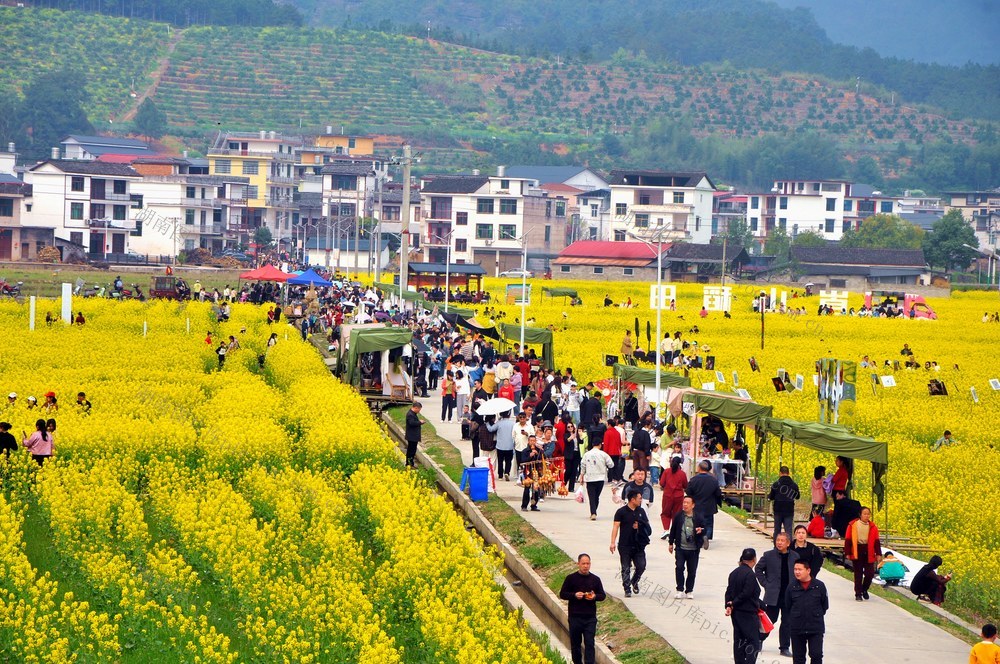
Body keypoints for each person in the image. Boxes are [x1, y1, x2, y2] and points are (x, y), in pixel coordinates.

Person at [755, 533, 799, 657]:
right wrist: (766, 583)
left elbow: (799, 572)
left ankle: (784, 647)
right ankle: (759, 639)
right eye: (778, 540)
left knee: (787, 622)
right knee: (769, 620)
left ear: (788, 543)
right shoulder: (768, 555)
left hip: (789, 595)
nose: (779, 543)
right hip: (774, 594)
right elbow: (758, 569)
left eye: (782, 541)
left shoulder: (795, 556)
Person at [559, 553, 607, 664]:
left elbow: (602, 596)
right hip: (575, 617)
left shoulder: (595, 579)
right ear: (578, 564)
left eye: (588, 563)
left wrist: (594, 597)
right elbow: (563, 594)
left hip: (590, 618)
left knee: (590, 643)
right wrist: (574, 595)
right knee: (575, 644)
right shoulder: (571, 578)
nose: (586, 566)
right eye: (583, 563)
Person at [785, 559, 829, 664]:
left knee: (816, 655)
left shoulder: (819, 586)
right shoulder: (791, 587)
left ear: (808, 570)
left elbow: (824, 606)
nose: (797, 572)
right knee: (798, 658)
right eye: (795, 569)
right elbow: (788, 605)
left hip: (815, 628)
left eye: (800, 569)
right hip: (797, 628)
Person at [610, 489, 651, 598]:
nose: (641, 500)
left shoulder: (641, 511)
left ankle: (634, 581)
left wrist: (640, 526)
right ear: (632, 499)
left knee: (641, 566)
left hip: (638, 544)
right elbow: (615, 527)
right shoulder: (621, 512)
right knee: (625, 567)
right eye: (639, 498)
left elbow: (647, 526)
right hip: (625, 544)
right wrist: (612, 542)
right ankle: (627, 588)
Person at [726, 548, 763, 664]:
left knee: (739, 640)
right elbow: (747, 593)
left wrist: (728, 604)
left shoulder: (734, 573)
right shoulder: (750, 575)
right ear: (754, 559)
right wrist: (733, 603)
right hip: (747, 612)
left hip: (736, 612)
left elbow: (729, 591)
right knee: (753, 642)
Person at [668, 496, 705, 599]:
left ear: (693, 505)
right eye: (684, 502)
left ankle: (689, 590)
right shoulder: (679, 516)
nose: (685, 505)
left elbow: (704, 529)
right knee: (679, 568)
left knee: (692, 570)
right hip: (681, 548)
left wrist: (700, 530)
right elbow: (673, 530)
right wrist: (671, 543)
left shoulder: (698, 517)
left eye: (687, 503)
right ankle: (679, 589)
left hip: (693, 549)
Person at [844, 506, 882, 601]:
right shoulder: (853, 525)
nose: (866, 516)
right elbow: (848, 539)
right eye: (864, 514)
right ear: (860, 515)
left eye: (868, 514)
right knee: (858, 573)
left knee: (870, 573)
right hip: (857, 550)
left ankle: (864, 589)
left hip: (869, 550)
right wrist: (848, 553)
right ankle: (858, 593)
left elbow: (877, 541)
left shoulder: (873, 526)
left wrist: (878, 554)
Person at [686, 459, 723, 549]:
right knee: (709, 523)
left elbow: (688, 492)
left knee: (697, 523)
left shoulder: (694, 480)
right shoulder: (713, 480)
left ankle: (699, 537)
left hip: (697, 506)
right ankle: (706, 535)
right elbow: (718, 493)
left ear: (699, 468)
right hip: (709, 506)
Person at [581, 440, 613, 520]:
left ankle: (593, 512)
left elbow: (583, 465)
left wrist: (582, 476)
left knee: (591, 496)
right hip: (600, 478)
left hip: (590, 478)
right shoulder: (603, 454)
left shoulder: (586, 454)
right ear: (600, 445)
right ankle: (594, 511)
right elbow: (611, 464)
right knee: (596, 496)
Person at [768, 465, 801, 541]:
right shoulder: (794, 485)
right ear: (788, 473)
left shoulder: (776, 484)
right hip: (789, 509)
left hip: (778, 509)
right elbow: (797, 496)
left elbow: (771, 496)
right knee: (788, 530)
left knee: (777, 530)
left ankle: (776, 547)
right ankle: (788, 547)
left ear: (780, 473)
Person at [659, 455, 688, 539]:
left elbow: (661, 483)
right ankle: (675, 532)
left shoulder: (666, 471)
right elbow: (685, 485)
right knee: (677, 514)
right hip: (678, 496)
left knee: (665, 513)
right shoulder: (682, 474)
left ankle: (666, 530)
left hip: (667, 495)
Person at [488, 411, 516, 482]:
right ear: (509, 415)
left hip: (500, 445)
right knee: (508, 461)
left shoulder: (499, 423)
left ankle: (500, 475)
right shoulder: (513, 423)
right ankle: (507, 472)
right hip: (509, 445)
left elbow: (491, 429)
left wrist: (487, 423)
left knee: (500, 461)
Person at [520, 435, 544, 512]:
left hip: (536, 472)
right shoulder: (525, 451)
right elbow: (523, 461)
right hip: (528, 472)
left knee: (536, 489)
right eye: (531, 441)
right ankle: (524, 505)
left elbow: (543, 459)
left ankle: (534, 505)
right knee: (527, 489)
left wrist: (539, 452)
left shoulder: (538, 450)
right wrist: (530, 456)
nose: (532, 442)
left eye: (534, 441)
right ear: (528, 441)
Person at [563, 421, 583, 493]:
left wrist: (580, 436)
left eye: (571, 426)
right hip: (569, 454)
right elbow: (566, 441)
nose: (570, 428)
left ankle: (571, 488)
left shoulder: (576, 434)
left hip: (576, 453)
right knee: (568, 470)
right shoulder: (566, 434)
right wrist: (570, 438)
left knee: (574, 471)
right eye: (568, 427)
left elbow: (581, 442)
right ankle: (564, 483)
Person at [404, 401, 425, 468]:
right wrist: (420, 422)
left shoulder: (412, 414)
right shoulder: (410, 414)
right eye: (419, 410)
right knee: (411, 451)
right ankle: (409, 464)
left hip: (413, 436)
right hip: (412, 436)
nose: (419, 411)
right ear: (416, 408)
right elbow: (412, 423)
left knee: (412, 450)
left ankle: (410, 463)